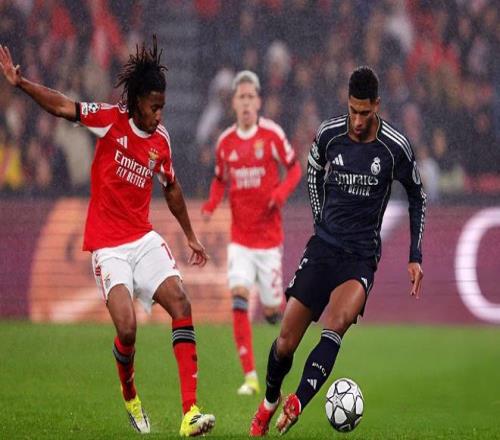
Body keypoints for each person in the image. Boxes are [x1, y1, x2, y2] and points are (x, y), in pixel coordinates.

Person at [0, 38, 215, 437]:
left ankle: (190, 413)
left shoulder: (161, 141)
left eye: (163, 107)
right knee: (128, 329)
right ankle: (129, 392)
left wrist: (190, 235)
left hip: (143, 238)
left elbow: (171, 187)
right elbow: (64, 106)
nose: (159, 115)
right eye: (154, 107)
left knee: (181, 302)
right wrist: (21, 83)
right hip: (108, 246)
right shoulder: (109, 120)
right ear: (137, 102)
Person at [249, 66, 426, 436]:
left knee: (337, 323)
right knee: (285, 343)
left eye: (365, 113)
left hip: (360, 258)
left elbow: (417, 195)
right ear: (347, 103)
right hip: (323, 250)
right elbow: (313, 167)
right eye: (353, 111)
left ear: (377, 105)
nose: (358, 121)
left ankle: (298, 401)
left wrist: (415, 255)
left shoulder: (394, 147)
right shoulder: (330, 133)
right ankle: (269, 401)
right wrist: (319, 218)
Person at [201, 70, 301, 396]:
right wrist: (211, 204)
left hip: (269, 241)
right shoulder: (225, 142)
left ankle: (283, 323)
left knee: (272, 314)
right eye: (240, 97)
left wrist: (280, 194)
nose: (245, 103)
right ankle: (250, 377)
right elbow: (219, 179)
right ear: (233, 103)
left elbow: (295, 168)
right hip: (241, 240)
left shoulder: (272, 135)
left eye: (250, 97)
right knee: (239, 298)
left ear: (258, 102)